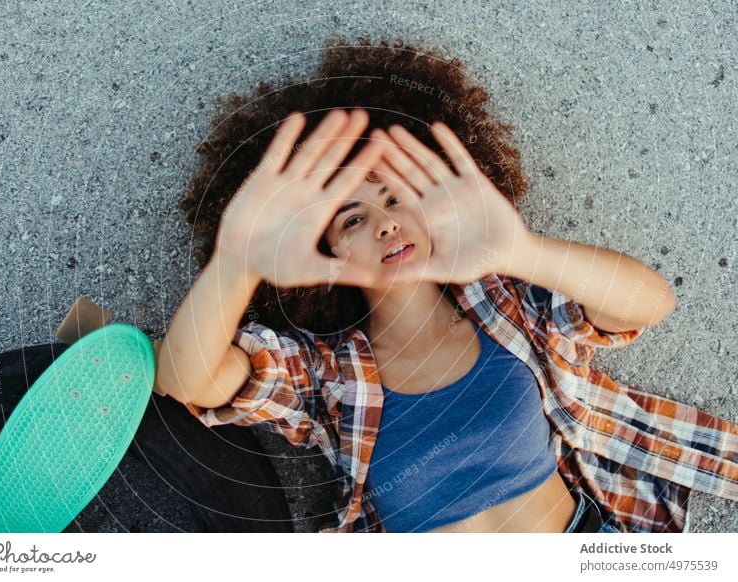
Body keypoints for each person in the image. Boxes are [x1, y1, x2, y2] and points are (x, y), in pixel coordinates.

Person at [156, 36, 738, 533]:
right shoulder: (327, 372)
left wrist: (521, 250)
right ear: (327, 245)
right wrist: (237, 261)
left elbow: (649, 303)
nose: (384, 223)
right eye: (352, 218)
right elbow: (186, 379)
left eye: (394, 199)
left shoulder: (508, 306)